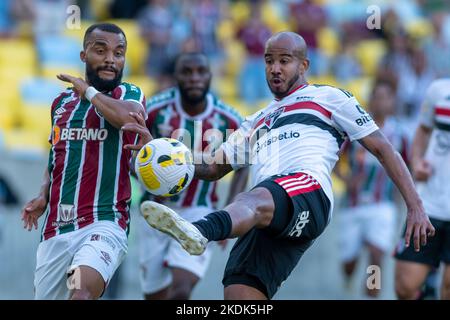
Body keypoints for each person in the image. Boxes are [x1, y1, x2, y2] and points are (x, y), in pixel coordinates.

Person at [123, 31, 434, 300]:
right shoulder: (255, 119)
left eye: (284, 60)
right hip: (271, 213)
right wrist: (164, 152)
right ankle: (204, 233)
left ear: (304, 64)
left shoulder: (329, 97)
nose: (275, 68)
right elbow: (215, 168)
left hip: (307, 192)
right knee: (238, 289)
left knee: (251, 197)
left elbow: (383, 149)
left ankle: (198, 231)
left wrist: (415, 205)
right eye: (269, 61)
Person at [21, 23, 146, 300]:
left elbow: (128, 120)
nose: (110, 59)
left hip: (103, 223)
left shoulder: (128, 95)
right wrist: (43, 194)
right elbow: (57, 155)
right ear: (83, 55)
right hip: (58, 228)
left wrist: (88, 92)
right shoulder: (61, 104)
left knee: (80, 292)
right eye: (100, 51)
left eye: (118, 53)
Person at [139, 52, 248, 300]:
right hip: (154, 210)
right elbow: (134, 155)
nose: (194, 78)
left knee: (181, 291)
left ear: (210, 75)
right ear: (176, 76)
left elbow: (243, 164)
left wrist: (231, 205)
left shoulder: (229, 118)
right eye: (186, 72)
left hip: (199, 211)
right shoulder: (154, 110)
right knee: (154, 296)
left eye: (201, 72)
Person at [335, 79, 408, 298]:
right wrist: (346, 180)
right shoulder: (356, 130)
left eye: (386, 97)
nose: (381, 102)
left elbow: (407, 169)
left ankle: (371, 293)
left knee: (376, 256)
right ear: (370, 100)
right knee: (350, 261)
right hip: (353, 205)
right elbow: (335, 159)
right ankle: (348, 277)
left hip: (382, 205)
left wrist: (400, 197)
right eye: (377, 97)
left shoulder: (399, 135)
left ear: (392, 102)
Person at [394, 78, 450, 300]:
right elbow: (423, 130)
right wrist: (416, 162)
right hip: (429, 203)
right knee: (405, 286)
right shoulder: (439, 89)